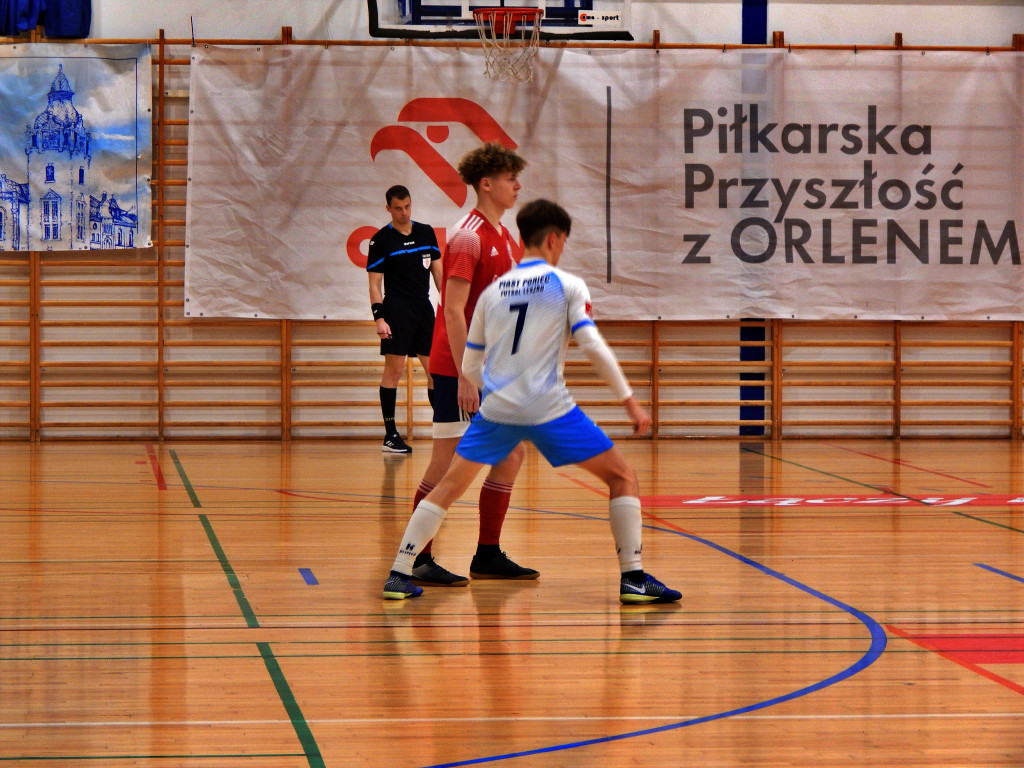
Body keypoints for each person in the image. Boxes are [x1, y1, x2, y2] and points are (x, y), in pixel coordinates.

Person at [383, 198, 682, 605]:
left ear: (521, 238)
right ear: (555, 240)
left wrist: (479, 387)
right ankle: (633, 577)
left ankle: (399, 572)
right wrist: (629, 400)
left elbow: (471, 357)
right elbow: (591, 344)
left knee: (449, 485)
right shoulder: (567, 285)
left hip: (498, 405)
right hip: (546, 406)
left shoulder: (493, 292)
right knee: (622, 476)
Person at [404, 142, 538, 587]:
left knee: (512, 453)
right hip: (458, 369)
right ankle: (416, 559)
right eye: (509, 178)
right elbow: (454, 310)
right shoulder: (468, 235)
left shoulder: (503, 235)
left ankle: (487, 553)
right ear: (487, 183)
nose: (517, 186)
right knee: (447, 467)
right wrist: (466, 374)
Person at [367, 184, 442, 454]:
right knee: (394, 372)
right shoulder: (380, 241)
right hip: (396, 309)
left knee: (436, 371)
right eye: (398, 208)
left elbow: (439, 275)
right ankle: (390, 435)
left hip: (423, 308)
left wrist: (451, 306)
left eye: (407, 206)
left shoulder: (426, 232)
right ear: (388, 208)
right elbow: (375, 285)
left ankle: (446, 430)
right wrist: (379, 318)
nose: (404, 212)